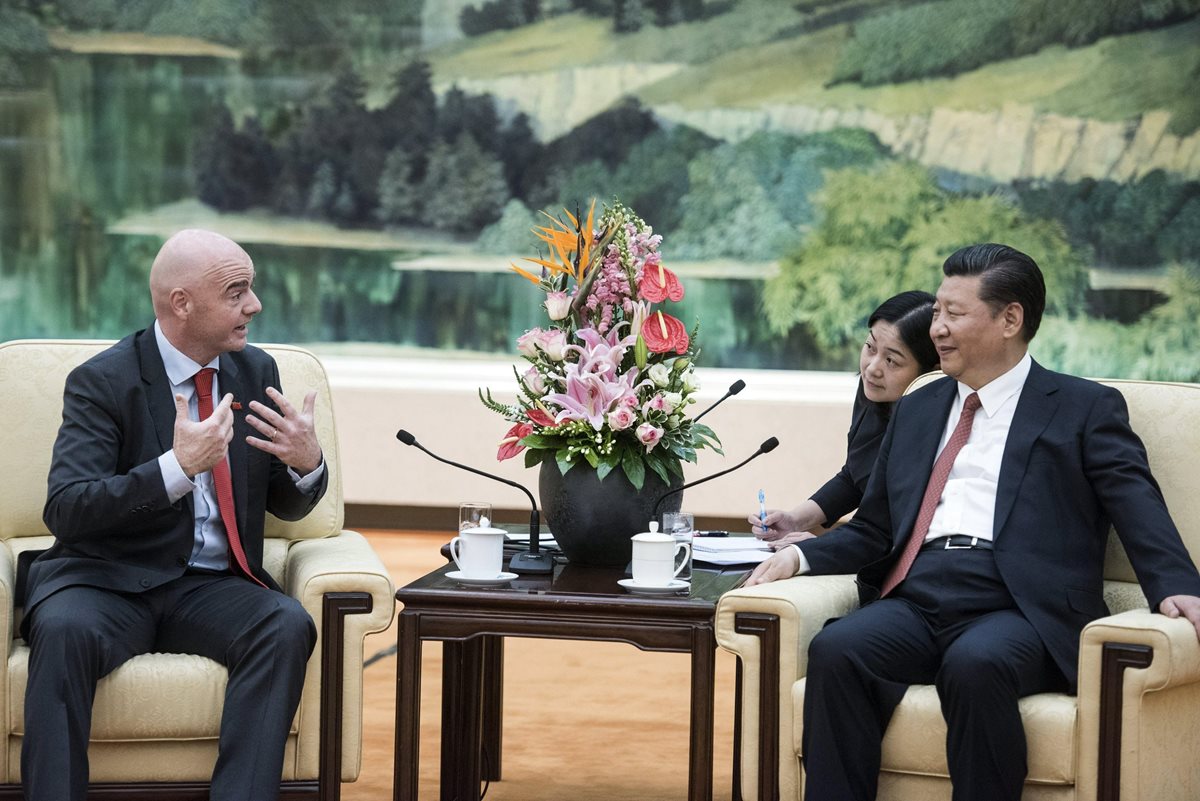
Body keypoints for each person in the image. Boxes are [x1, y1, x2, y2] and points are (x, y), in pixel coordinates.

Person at [745, 243, 1200, 801]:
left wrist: (1176, 585)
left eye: (954, 313)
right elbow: (876, 529)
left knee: (975, 663)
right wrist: (799, 555)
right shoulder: (919, 407)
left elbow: (1136, 502)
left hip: (1020, 606)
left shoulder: (1082, 407)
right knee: (839, 649)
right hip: (918, 595)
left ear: (1010, 319)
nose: (937, 327)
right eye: (937, 311)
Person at [21, 229, 329, 801]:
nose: (254, 305)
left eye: (251, 288)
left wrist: (306, 463)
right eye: (236, 292)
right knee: (62, 630)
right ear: (181, 303)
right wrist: (176, 468)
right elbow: (67, 508)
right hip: (107, 581)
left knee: (285, 623)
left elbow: (281, 501)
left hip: (209, 587)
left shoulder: (255, 371)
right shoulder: (102, 381)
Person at [749, 290, 939, 547]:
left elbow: (888, 527)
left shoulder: (934, 426)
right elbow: (855, 475)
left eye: (891, 360)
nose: (872, 368)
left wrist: (821, 548)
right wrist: (794, 520)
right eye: (870, 347)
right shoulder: (873, 390)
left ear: (930, 372)